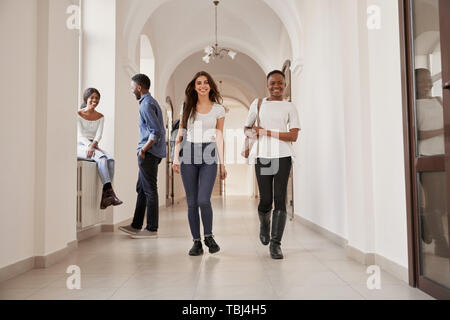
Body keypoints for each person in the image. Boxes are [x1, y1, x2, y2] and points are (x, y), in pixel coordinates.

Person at [244, 70, 301, 260]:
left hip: (283, 156)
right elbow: (247, 128)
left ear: (285, 85)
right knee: (266, 199)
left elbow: (293, 135)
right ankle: (264, 223)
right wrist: (253, 134)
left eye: (280, 83)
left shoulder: (290, 107)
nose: (276, 86)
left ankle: (276, 244)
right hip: (264, 156)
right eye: (273, 83)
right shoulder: (258, 103)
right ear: (267, 84)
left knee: (280, 197)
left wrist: (267, 132)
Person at [172, 71, 227, 256]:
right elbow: (180, 134)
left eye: (205, 82)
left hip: (208, 155)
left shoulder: (219, 109)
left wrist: (222, 164)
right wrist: (175, 158)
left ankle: (209, 236)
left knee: (204, 199)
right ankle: (196, 242)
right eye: (198, 83)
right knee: (192, 202)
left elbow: (219, 135)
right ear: (194, 87)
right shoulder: (186, 106)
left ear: (210, 85)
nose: (202, 86)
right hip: (188, 154)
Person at [119, 74, 166, 239]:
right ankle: (136, 225)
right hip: (153, 153)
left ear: (139, 88)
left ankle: (152, 228)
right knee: (142, 188)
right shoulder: (150, 102)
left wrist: (143, 150)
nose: (132, 90)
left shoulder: (146, 105)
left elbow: (156, 132)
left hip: (149, 153)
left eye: (132, 88)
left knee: (150, 190)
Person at [415, 68, 449, 258]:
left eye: (428, 79)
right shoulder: (414, 105)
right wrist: (442, 131)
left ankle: (425, 221)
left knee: (442, 204)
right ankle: (440, 243)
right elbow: (417, 134)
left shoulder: (438, 100)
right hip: (427, 157)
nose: (426, 83)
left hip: (444, 156)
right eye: (421, 81)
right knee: (435, 203)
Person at [77, 88, 123, 209]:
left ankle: (106, 195)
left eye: (97, 98)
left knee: (111, 160)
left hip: (93, 145)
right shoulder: (78, 114)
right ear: (86, 98)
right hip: (80, 145)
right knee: (102, 158)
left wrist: (94, 146)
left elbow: (98, 135)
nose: (94, 100)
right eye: (92, 97)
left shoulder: (100, 116)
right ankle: (110, 194)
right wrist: (90, 146)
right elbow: (80, 135)